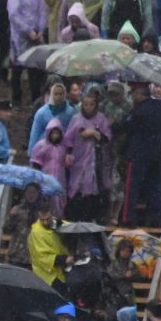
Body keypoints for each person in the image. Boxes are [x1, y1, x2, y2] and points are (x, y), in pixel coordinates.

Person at [117, 79, 161, 228]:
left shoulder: (139, 110)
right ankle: (156, 218)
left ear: (140, 94)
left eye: (134, 93)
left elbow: (125, 126)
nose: (132, 97)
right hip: (158, 153)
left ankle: (129, 218)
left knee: (132, 186)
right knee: (155, 185)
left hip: (139, 153)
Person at [61, 84, 112, 223]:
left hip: (96, 160)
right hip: (79, 159)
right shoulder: (76, 119)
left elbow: (107, 138)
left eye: (91, 104)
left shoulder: (101, 118)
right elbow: (68, 139)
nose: (88, 107)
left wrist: (95, 133)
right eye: (86, 104)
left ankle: (93, 216)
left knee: (94, 188)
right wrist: (69, 153)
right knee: (77, 187)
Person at [7, 0, 51, 108]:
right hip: (20, 37)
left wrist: (40, 29)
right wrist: (27, 30)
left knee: (34, 70)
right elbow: (14, 16)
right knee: (17, 69)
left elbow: (42, 12)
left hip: (35, 36)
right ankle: (16, 100)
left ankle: (36, 99)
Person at [29, 122, 69, 218]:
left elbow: (65, 163)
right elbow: (36, 162)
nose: (55, 136)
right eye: (53, 133)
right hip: (45, 177)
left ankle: (57, 219)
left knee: (59, 200)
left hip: (60, 178)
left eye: (57, 133)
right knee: (45, 200)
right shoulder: (42, 145)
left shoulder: (63, 148)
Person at [27, 80, 75, 152]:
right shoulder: (42, 112)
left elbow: (73, 132)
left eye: (61, 94)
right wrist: (32, 152)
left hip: (63, 150)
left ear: (65, 94)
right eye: (56, 94)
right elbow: (35, 133)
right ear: (51, 95)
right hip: (44, 150)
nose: (58, 97)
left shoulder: (70, 112)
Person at [28, 208, 68, 287]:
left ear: (52, 216)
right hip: (46, 274)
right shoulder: (36, 232)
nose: (45, 222)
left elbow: (70, 227)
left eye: (47, 219)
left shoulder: (59, 224)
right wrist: (64, 259)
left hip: (60, 270)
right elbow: (43, 256)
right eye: (42, 220)